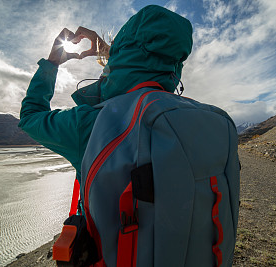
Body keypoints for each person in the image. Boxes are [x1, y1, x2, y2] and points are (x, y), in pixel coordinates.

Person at [18, 4, 192, 186]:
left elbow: (30, 116)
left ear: (121, 54)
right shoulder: (199, 121)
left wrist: (52, 63)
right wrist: (111, 51)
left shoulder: (89, 126)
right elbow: (146, 65)